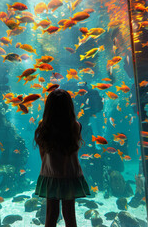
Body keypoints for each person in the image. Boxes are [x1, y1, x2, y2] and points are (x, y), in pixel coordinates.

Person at [34, 89, 90, 227]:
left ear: (48, 108)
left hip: (50, 174)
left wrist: (49, 167)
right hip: (69, 175)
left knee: (51, 213)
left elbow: (42, 154)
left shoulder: (43, 127)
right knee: (69, 213)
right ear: (69, 107)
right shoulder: (75, 126)